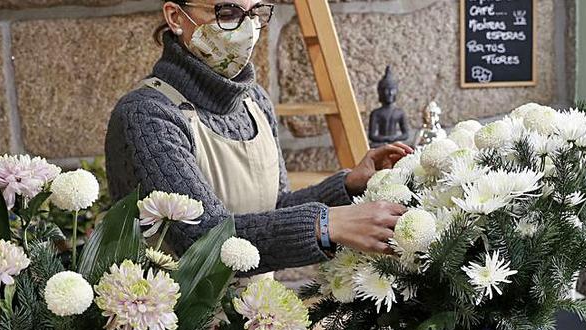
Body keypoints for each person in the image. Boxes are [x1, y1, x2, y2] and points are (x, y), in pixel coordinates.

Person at [106, 0, 413, 274]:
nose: (247, 29)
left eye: (255, 13)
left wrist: (346, 186)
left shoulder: (255, 102)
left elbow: (273, 208)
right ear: (175, 16)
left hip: (260, 324)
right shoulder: (146, 115)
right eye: (227, 12)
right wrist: (326, 224)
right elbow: (204, 241)